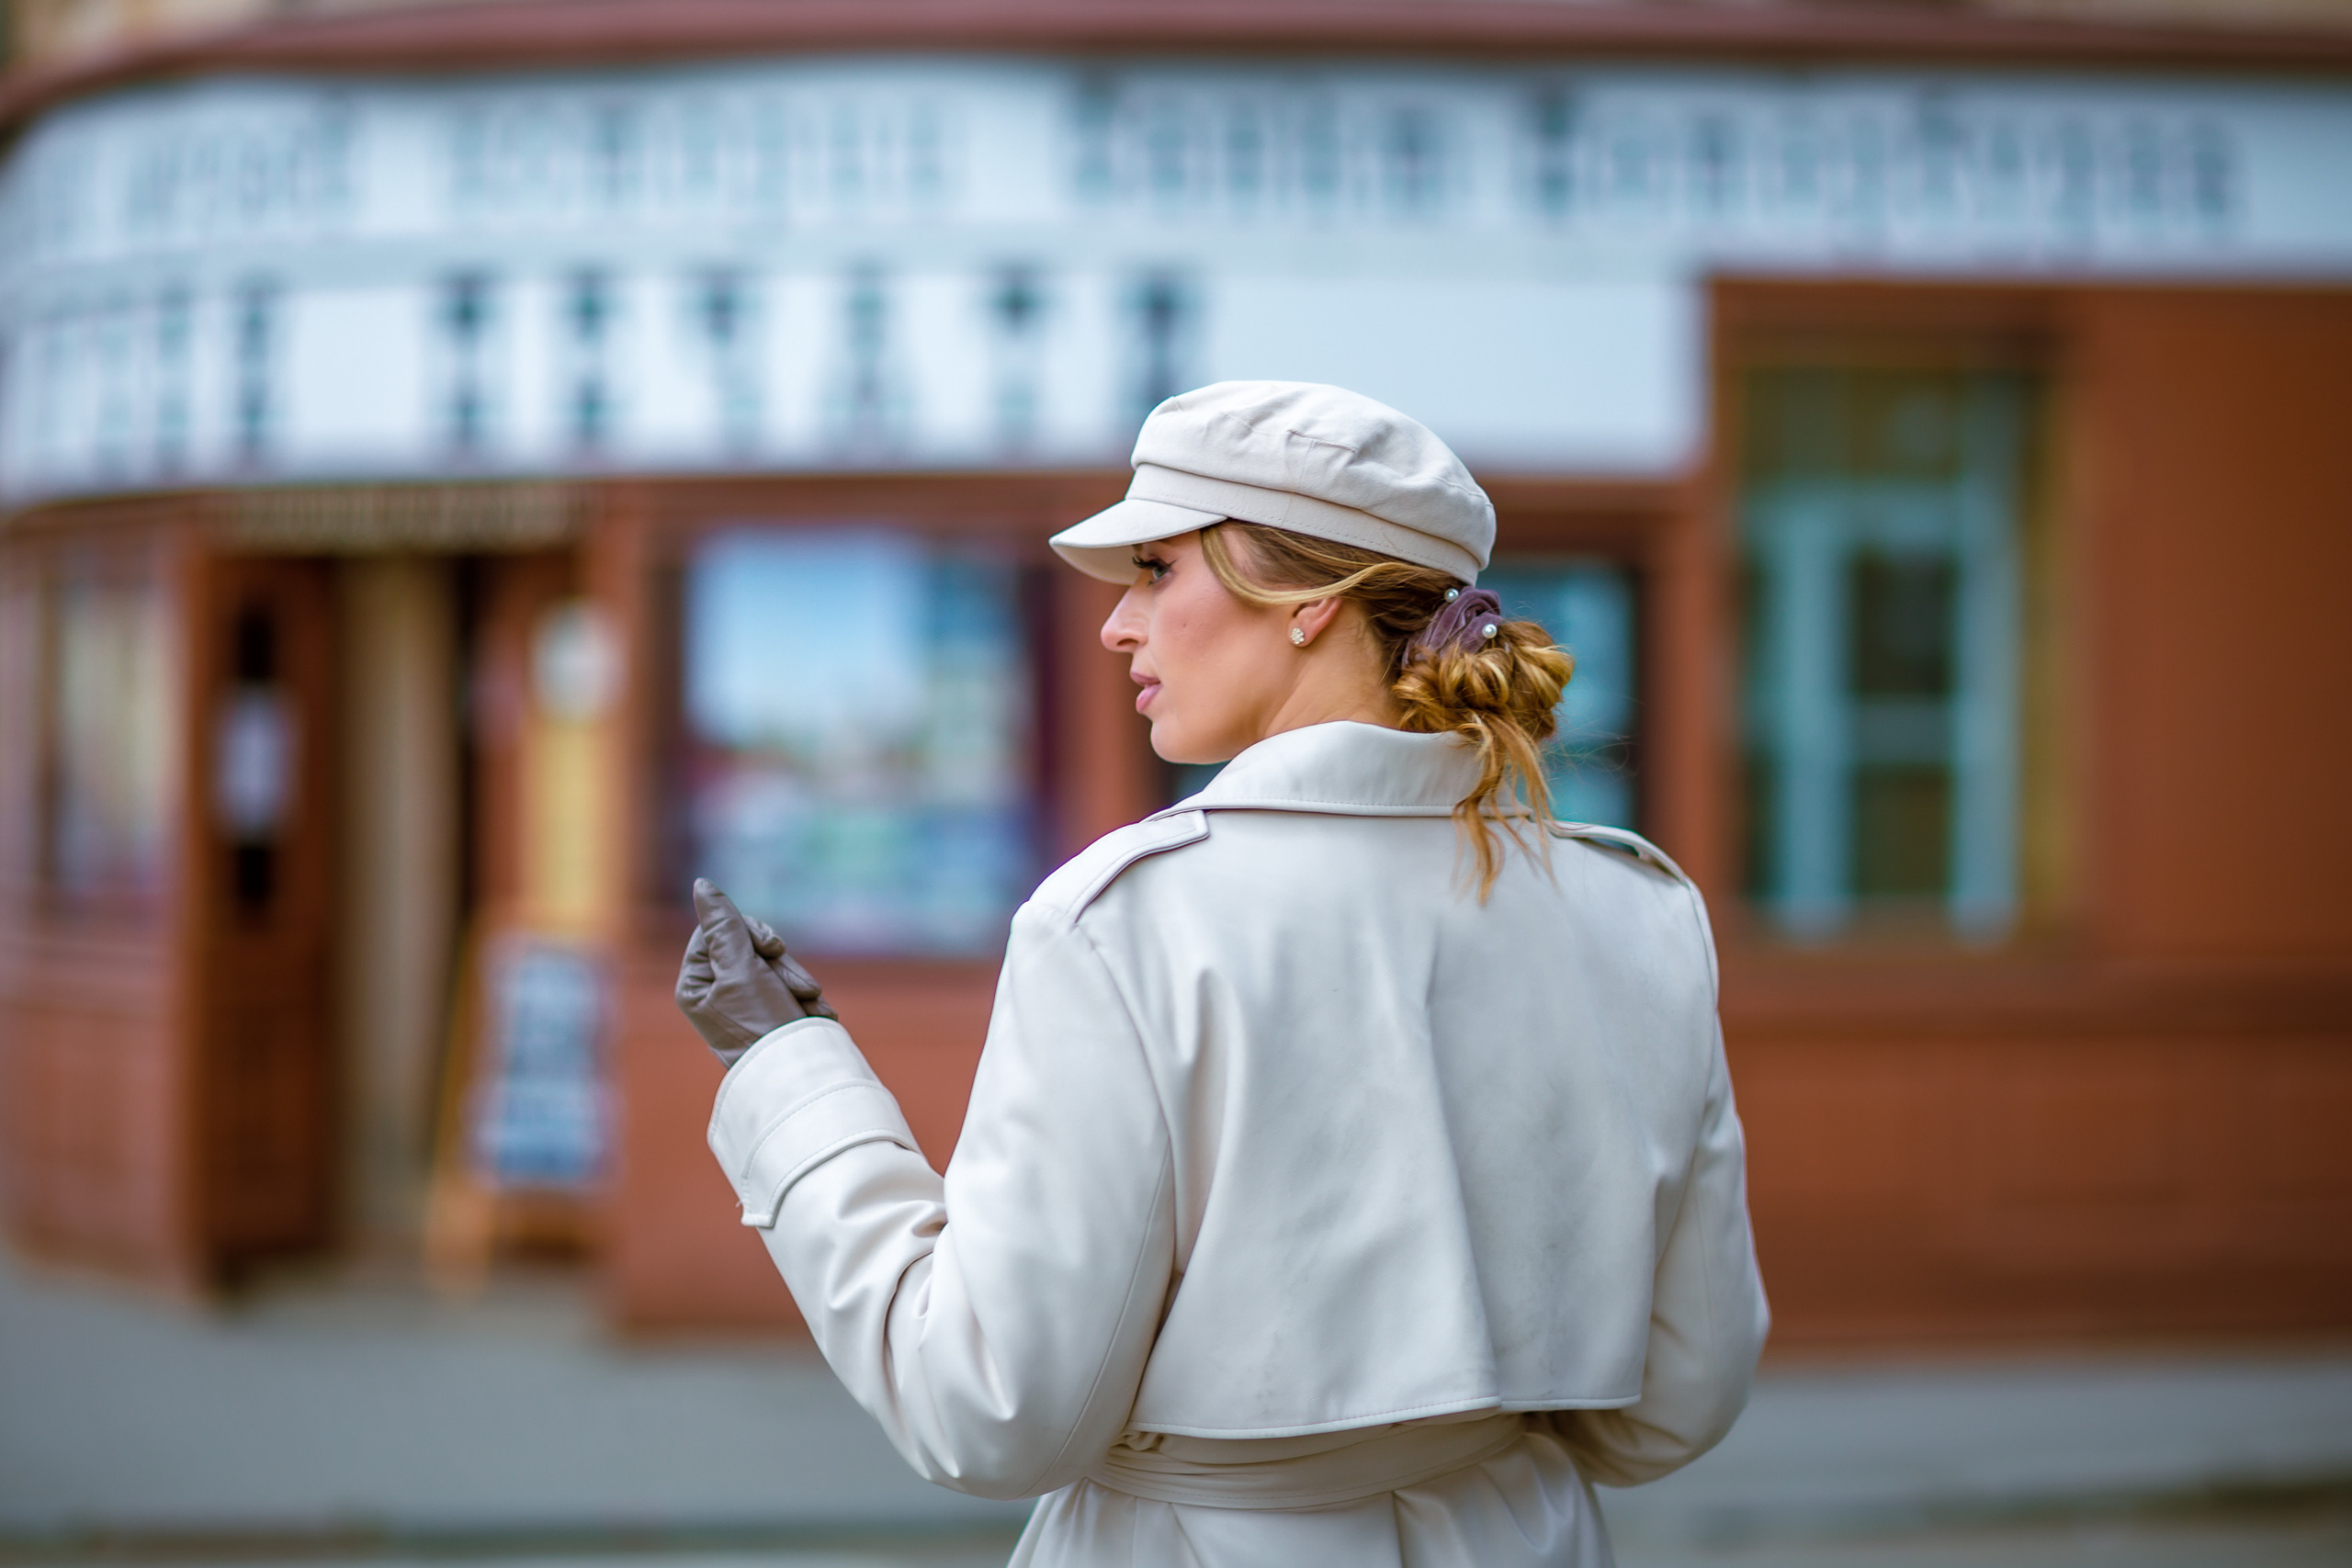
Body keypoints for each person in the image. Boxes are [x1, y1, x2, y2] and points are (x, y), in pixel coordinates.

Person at [674, 380, 1768, 1567]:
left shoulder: (1124, 922)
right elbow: (1678, 1403)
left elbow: (986, 1412)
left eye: (1156, 569)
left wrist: (788, 1075)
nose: (1115, 625)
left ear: (1302, 600)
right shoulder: (1637, 911)